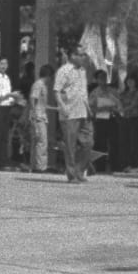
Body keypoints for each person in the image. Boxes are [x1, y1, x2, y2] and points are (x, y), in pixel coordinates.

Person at [53, 51, 92, 182]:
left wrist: (88, 109)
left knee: (88, 142)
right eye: (81, 55)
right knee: (70, 145)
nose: (83, 57)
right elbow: (57, 91)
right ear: (73, 56)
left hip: (83, 112)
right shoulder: (64, 71)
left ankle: (79, 170)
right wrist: (62, 107)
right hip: (69, 113)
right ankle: (72, 174)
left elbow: (83, 92)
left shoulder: (83, 71)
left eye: (84, 55)